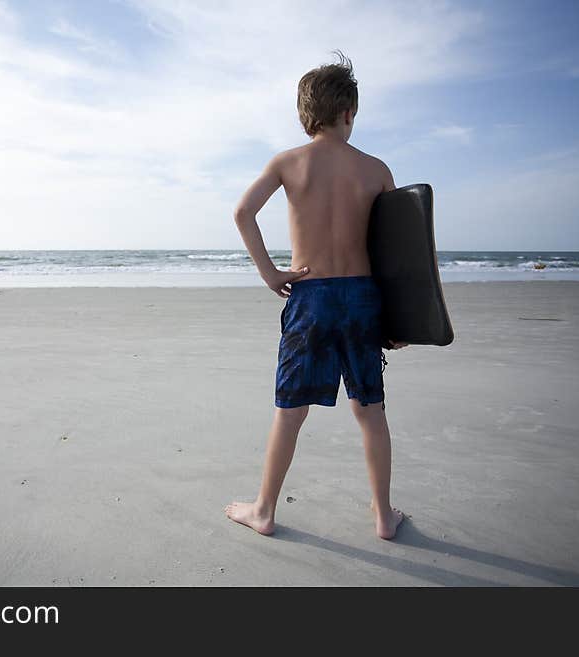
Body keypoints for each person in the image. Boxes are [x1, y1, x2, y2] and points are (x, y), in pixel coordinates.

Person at [224, 51, 409, 541]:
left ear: (306, 114)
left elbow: (243, 212)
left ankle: (264, 510)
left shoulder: (288, 162)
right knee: (370, 411)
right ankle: (383, 517)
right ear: (349, 113)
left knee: (291, 411)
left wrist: (269, 273)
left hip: (310, 296)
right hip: (362, 297)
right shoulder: (376, 169)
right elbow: (397, 253)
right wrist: (399, 319)